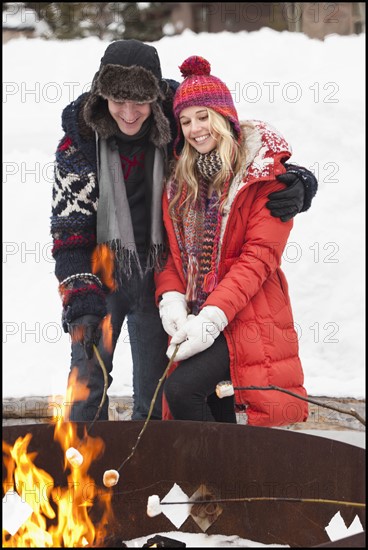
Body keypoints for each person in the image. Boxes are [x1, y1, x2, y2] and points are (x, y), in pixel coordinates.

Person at [51, 40, 317, 423]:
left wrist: (297, 180)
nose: (128, 113)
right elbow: (68, 234)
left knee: (154, 396)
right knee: (87, 384)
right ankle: (83, 476)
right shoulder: (77, 146)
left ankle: (146, 478)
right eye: (117, 101)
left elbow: (235, 139)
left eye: (139, 101)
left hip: (158, 277)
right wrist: (79, 298)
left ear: (156, 97)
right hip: (100, 275)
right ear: (101, 96)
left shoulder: (176, 122)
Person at [155, 55, 309, 426]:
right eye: (186, 121)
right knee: (216, 404)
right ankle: (227, 481)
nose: (195, 129)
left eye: (203, 116)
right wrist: (172, 298)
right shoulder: (179, 184)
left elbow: (258, 259)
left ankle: (214, 476)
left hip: (247, 315)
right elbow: (172, 257)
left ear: (223, 116)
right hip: (198, 314)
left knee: (181, 390)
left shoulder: (264, 176)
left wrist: (212, 317)